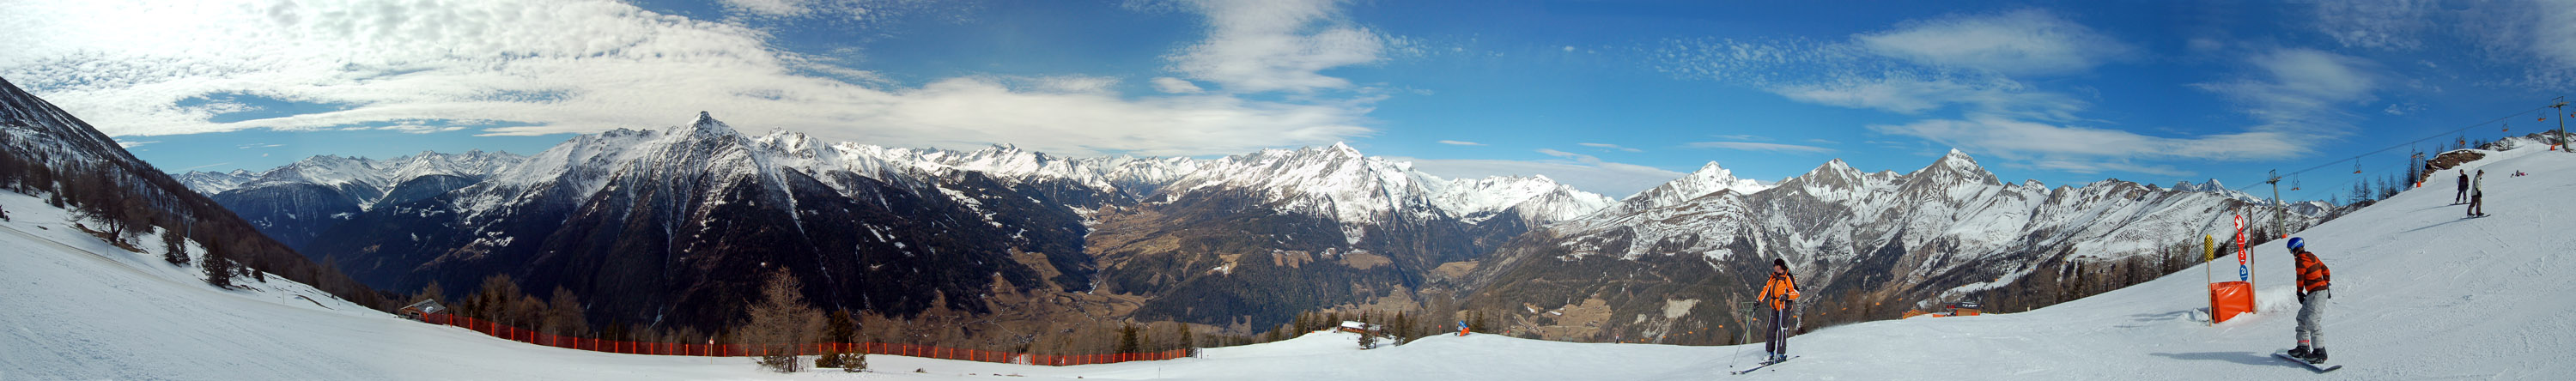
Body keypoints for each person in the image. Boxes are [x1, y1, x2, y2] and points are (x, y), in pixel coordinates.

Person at [2286, 238, 2333, 363]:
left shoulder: (2301, 261)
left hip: (2317, 293)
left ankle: (2320, 352)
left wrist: (2299, 292)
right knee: (2302, 317)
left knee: (2312, 320)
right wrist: (2326, 284)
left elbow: (2300, 278)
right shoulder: (2312, 256)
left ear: (2295, 249)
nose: (2291, 253)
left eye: (2291, 251)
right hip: (2314, 292)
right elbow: (2326, 270)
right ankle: (2303, 347)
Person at [1757, 258, 1801, 364]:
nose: (1774, 267)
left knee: (1782, 329)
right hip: (1774, 305)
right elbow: (1766, 290)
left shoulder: (1788, 277)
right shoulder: (1773, 278)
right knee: (1771, 329)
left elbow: (1796, 292)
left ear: (1780, 266)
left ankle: (1780, 354)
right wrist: (1759, 301)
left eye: (1775, 265)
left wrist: (1786, 296)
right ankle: (1770, 353)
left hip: (1784, 306)